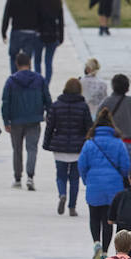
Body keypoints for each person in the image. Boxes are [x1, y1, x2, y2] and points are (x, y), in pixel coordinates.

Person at [77, 108, 131, 259]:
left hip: (94, 184)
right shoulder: (118, 143)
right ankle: (106, 251)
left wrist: (87, 180)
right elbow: (125, 166)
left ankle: (96, 243)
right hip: (114, 187)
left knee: (94, 216)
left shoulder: (89, 143)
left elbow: (82, 165)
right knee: (108, 220)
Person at [43, 77, 92, 217]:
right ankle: (72, 207)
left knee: (61, 176)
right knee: (75, 179)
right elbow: (89, 127)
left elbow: (50, 127)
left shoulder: (56, 105)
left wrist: (47, 144)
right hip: (78, 148)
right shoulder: (83, 106)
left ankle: (62, 194)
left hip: (59, 147)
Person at [1, 52, 50, 191]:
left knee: (17, 149)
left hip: (16, 120)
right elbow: (47, 98)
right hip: (34, 119)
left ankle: (17, 178)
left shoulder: (11, 81)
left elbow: (5, 101)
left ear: (17, 64)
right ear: (30, 63)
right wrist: (48, 113)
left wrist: (6, 120)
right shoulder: (39, 79)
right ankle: (30, 176)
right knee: (32, 149)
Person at [0, 0, 41, 74]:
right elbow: (40, 15)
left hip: (16, 30)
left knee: (13, 56)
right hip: (31, 32)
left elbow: (7, 14)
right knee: (27, 59)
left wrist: (3, 31)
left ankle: (15, 77)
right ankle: (26, 79)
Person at [99, 74, 131, 165]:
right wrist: (130, 121)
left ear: (113, 87)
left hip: (111, 141)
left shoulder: (106, 102)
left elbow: (99, 119)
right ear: (127, 88)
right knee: (126, 173)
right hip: (128, 142)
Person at [36, 0, 64, 84]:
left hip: (40, 35)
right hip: (53, 36)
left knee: (37, 61)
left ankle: (38, 83)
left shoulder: (38, 0)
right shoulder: (57, 1)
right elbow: (61, 21)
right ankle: (46, 84)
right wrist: (61, 37)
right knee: (48, 62)